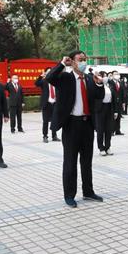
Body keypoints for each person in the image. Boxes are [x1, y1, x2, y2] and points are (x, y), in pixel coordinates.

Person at [46, 51, 105, 208]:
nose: (83, 62)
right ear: (72, 62)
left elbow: (99, 96)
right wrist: (61, 64)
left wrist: (99, 84)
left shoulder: (89, 78)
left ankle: (88, 191)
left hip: (87, 124)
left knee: (87, 161)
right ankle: (69, 195)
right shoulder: (66, 77)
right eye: (80, 60)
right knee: (70, 162)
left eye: (85, 59)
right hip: (71, 124)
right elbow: (49, 78)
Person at [95, 71, 116, 156]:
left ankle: (108, 147)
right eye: (103, 76)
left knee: (108, 129)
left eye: (106, 76)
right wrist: (99, 82)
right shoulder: (97, 86)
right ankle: (101, 148)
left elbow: (114, 98)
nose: (105, 78)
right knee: (100, 130)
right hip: (100, 109)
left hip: (109, 108)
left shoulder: (110, 85)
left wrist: (115, 111)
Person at [35, 68, 60, 143]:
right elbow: (36, 83)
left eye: (51, 72)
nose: (50, 73)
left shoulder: (56, 81)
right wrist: (41, 76)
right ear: (46, 73)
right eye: (48, 72)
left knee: (54, 121)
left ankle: (54, 136)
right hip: (47, 104)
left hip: (55, 104)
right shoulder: (44, 81)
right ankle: (45, 136)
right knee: (45, 121)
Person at [110, 70, 126, 136]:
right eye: (115, 74)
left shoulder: (120, 83)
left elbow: (122, 93)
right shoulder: (110, 82)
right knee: (113, 117)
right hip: (113, 102)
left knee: (119, 117)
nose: (117, 75)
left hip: (119, 102)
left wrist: (123, 102)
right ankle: (111, 131)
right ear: (112, 75)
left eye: (117, 74)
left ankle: (117, 130)